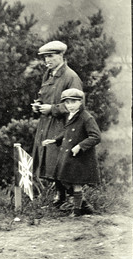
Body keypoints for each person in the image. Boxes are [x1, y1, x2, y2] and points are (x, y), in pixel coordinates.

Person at [30, 40, 84, 208]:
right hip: (46, 125)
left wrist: (52, 109)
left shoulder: (71, 77)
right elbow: (44, 94)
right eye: (45, 57)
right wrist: (38, 104)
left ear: (61, 56)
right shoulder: (48, 74)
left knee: (62, 162)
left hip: (63, 126)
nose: (47, 61)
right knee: (49, 161)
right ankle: (59, 196)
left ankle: (72, 200)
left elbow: (78, 105)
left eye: (51, 57)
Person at [42, 88, 101, 217]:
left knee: (76, 184)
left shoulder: (86, 117)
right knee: (64, 179)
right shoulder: (70, 116)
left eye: (73, 102)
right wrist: (54, 140)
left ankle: (77, 211)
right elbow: (67, 132)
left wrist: (80, 146)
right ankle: (83, 206)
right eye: (67, 103)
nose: (70, 106)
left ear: (81, 102)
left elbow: (96, 136)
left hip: (80, 157)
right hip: (68, 155)